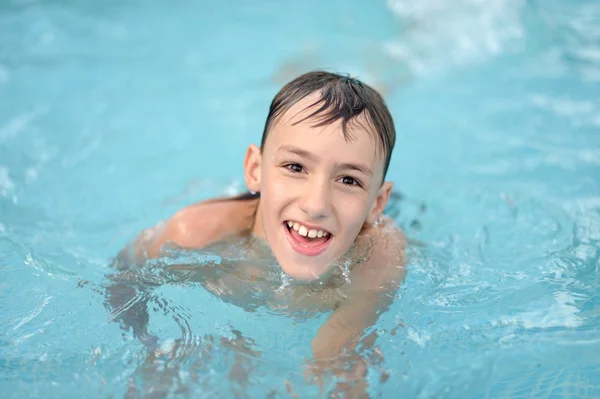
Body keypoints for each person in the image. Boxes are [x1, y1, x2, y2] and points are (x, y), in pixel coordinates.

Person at [112, 70, 407, 393]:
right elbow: (125, 273)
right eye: (295, 167)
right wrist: (148, 343)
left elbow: (337, 358)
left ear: (377, 203)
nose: (316, 204)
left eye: (349, 180)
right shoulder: (193, 234)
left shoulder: (378, 260)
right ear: (255, 169)